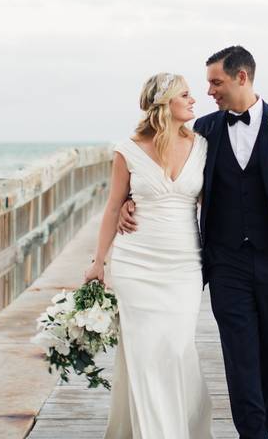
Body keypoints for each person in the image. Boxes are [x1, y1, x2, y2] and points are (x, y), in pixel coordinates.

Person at [119, 46, 268, 439]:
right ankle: (252, 434)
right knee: (240, 357)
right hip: (226, 263)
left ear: (242, 77)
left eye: (216, 82)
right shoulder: (204, 131)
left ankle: (261, 429)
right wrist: (132, 198)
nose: (209, 91)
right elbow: (162, 167)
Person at [83, 72, 213, 439]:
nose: (193, 100)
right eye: (185, 95)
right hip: (135, 262)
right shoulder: (127, 149)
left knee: (176, 348)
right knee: (144, 354)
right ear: (165, 102)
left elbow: (213, 202)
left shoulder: (201, 145)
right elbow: (112, 207)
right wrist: (98, 262)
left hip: (184, 263)